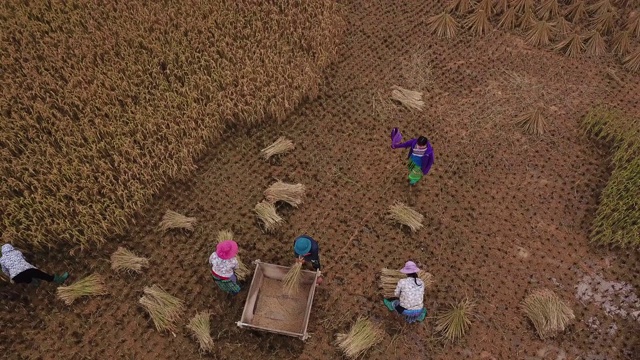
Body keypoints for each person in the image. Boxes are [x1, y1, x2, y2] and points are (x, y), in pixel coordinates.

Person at [0, 244, 69, 285]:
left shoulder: (1, 259)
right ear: (11, 247)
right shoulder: (16, 252)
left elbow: (5, 270)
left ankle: (35, 283)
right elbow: (24, 259)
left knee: (26, 279)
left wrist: (10, 277)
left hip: (15, 277)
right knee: (42, 275)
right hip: (27, 269)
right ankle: (58, 280)